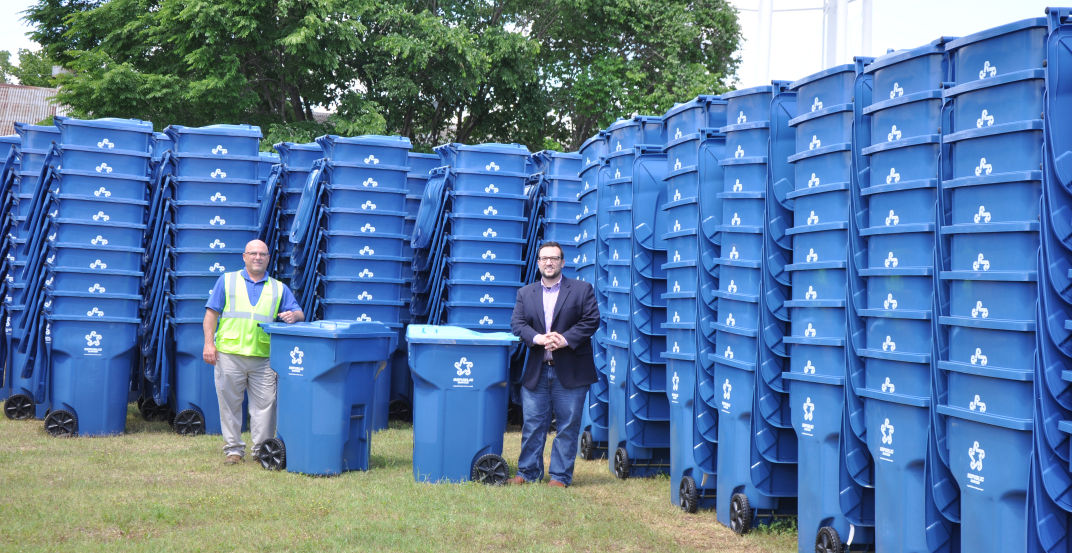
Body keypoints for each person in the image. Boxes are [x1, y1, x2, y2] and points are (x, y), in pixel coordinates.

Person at [203, 239, 304, 465]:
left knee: (266, 405)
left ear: (268, 258)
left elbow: (299, 313)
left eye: (262, 254)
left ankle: (262, 451)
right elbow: (211, 315)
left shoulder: (278, 288)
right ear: (244, 256)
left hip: (264, 358)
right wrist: (209, 344)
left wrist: (293, 316)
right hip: (230, 354)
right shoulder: (227, 281)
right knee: (229, 404)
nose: (257, 257)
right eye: (253, 253)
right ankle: (234, 451)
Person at [509, 241, 600, 487]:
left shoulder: (582, 290)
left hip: (571, 371)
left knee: (568, 426)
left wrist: (565, 340)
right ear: (538, 263)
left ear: (562, 262)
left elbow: (592, 320)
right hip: (537, 371)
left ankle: (560, 476)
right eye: (544, 258)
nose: (549, 262)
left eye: (554, 258)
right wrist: (537, 338)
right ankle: (528, 472)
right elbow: (518, 324)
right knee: (532, 425)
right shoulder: (525, 293)